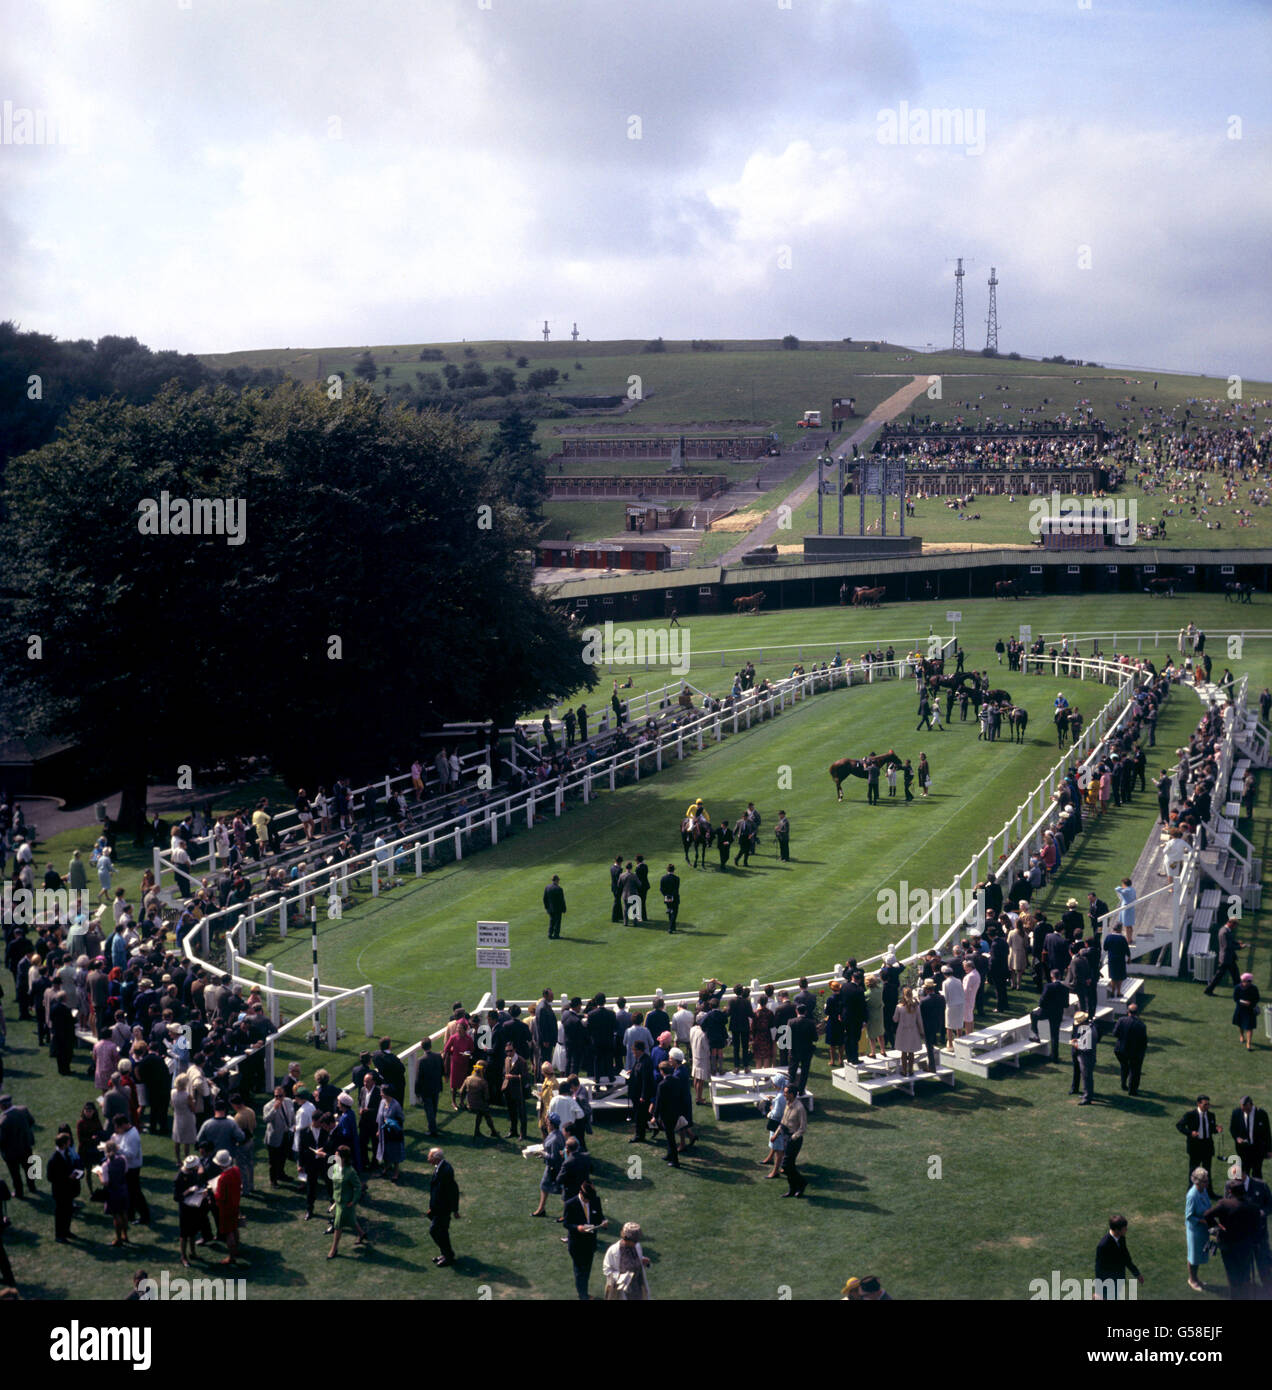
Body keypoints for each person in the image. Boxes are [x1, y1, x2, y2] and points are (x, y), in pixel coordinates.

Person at [1202, 1181, 1261, 1300]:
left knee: (1232, 1274)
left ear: (1230, 1192)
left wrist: (1217, 1229)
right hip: (1246, 1245)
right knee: (1245, 1273)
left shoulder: (1224, 1204)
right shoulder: (1253, 1207)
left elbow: (1207, 1215)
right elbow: (1257, 1228)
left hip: (1227, 1244)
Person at [562, 1177, 606, 1299]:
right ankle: (583, 1295)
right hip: (576, 1244)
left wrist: (603, 1221)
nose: (588, 1202)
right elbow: (566, 1223)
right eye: (586, 1200)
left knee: (586, 1270)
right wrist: (578, 1228)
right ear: (581, 1193)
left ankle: (583, 1293)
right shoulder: (570, 1204)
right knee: (580, 1271)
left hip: (590, 1243)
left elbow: (600, 1215)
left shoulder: (595, 1200)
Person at [327, 1145, 368, 1258]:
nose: (334, 1157)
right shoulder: (335, 1167)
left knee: (338, 1225)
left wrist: (354, 1201)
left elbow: (358, 1187)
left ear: (343, 1158)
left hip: (346, 1203)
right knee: (350, 1220)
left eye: (337, 1155)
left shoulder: (350, 1172)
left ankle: (333, 1249)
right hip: (338, 1201)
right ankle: (362, 1234)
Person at [1177, 1096, 1221, 1194]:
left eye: (1208, 1104)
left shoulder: (1211, 1115)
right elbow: (1179, 1125)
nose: (1207, 1107)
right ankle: (1191, 1192)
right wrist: (1190, 1133)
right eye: (1205, 1104)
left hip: (1207, 1146)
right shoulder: (1190, 1115)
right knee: (1193, 1171)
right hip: (1195, 1147)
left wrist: (1217, 1130)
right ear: (1198, 1104)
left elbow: (1211, 1129)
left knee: (1207, 1171)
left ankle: (1209, 1192)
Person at [1094, 1215, 1144, 1298]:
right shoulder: (1103, 1245)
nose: (1126, 1230)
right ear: (1117, 1230)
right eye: (1125, 1228)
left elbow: (1126, 1258)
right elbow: (1099, 1268)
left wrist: (1137, 1274)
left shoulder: (1121, 1238)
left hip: (1118, 1278)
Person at [427, 1147, 459, 1267]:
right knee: (441, 1232)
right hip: (438, 1208)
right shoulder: (440, 1168)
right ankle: (446, 1254)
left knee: (436, 1231)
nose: (428, 1159)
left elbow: (452, 1191)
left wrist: (455, 1210)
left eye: (430, 1157)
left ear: (436, 1158)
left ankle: (448, 1256)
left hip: (442, 1209)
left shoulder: (446, 1171)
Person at [602, 1221, 651, 1300]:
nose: (636, 1242)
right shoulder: (613, 1251)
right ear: (626, 1238)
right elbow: (606, 1270)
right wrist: (619, 1276)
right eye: (634, 1240)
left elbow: (637, 1258)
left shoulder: (637, 1246)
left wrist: (643, 1260)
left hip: (637, 1288)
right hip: (622, 1290)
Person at [1029, 971, 1069, 1061]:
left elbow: (1042, 1001)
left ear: (1052, 977)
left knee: (1033, 1015)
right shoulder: (1065, 988)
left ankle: (1036, 1035)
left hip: (1046, 1011)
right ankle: (1055, 1056)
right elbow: (1066, 1004)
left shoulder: (1048, 986)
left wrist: (1043, 1008)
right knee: (1055, 1034)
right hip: (1058, 1013)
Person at [48, 1132, 79, 1243]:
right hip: (60, 1191)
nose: (70, 1143)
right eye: (68, 1141)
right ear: (64, 1144)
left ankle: (66, 1231)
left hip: (68, 1189)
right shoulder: (54, 1159)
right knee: (61, 1213)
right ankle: (59, 1235)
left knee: (68, 1211)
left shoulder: (66, 1153)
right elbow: (50, 1177)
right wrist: (67, 1177)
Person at [1110, 1003, 1147, 1095]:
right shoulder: (1141, 1025)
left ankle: (1123, 1084)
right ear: (1137, 1013)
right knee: (1134, 1070)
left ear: (1128, 1012)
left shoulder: (1121, 1020)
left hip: (1120, 1050)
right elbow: (1143, 1041)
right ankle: (1132, 1090)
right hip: (1134, 1051)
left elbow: (1115, 1033)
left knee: (1124, 1067)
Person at [1230, 1095, 1271, 1179]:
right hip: (1243, 1149)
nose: (1244, 1111)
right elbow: (1232, 1129)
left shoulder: (1261, 1114)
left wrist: (1269, 1150)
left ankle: (1257, 1191)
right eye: (1242, 1109)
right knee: (1244, 1172)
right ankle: (1245, 1191)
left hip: (1258, 1149)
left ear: (1251, 1105)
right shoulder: (1236, 1113)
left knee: (1257, 1172)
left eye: (1246, 1109)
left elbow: (1267, 1133)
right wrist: (1237, 1138)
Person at [100, 1138, 131, 1247]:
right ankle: (125, 1235)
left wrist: (99, 1174)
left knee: (116, 1215)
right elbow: (126, 1171)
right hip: (123, 1189)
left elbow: (105, 1182)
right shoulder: (123, 1159)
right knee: (124, 1213)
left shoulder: (105, 1166)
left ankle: (118, 1239)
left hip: (113, 1192)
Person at [1185, 1167, 1213, 1292]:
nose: (1207, 1183)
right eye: (1205, 1181)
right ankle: (1192, 1279)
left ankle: (1196, 1278)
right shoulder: (1192, 1196)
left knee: (1199, 1255)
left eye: (1207, 1181)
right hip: (1195, 1230)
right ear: (1197, 1182)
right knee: (1194, 1256)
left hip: (1203, 1229)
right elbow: (1189, 1216)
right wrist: (1203, 1221)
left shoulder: (1203, 1190)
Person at [1204, 918, 1242, 996]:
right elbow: (1227, 946)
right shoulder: (1224, 932)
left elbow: (1229, 941)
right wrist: (1239, 947)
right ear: (1231, 923)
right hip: (1227, 958)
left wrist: (1237, 943)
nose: (1234, 927)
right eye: (1234, 925)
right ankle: (1239, 993)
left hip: (1227, 958)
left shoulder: (1224, 930)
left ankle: (1209, 990)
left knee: (1230, 976)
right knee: (1232, 976)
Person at [414, 1038, 443, 1138]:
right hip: (436, 1086)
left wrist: (416, 1091)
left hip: (426, 1089)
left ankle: (432, 1130)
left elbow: (418, 1078)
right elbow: (442, 1070)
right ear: (430, 1045)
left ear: (422, 1047)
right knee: (434, 1108)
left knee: (429, 1110)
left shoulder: (421, 1061)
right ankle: (433, 1126)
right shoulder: (438, 1056)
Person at [893, 986, 925, 1078]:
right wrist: (922, 1031)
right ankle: (910, 1070)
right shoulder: (916, 1006)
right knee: (911, 1052)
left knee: (904, 1052)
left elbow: (895, 1019)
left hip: (903, 1031)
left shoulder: (899, 1007)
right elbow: (919, 1020)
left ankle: (904, 1070)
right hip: (913, 1031)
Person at [1070, 1010, 1096, 1104]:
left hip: (1086, 1057)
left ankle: (1087, 1098)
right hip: (1083, 1055)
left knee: (1087, 1077)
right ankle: (1085, 1093)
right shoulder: (1088, 1027)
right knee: (1083, 1075)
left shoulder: (1089, 1030)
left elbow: (1086, 1048)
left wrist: (1076, 1044)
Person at [1232, 973, 1260, 1050]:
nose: (1249, 982)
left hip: (1250, 1010)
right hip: (1240, 1009)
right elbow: (1235, 998)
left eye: (1250, 981)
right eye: (1247, 981)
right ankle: (1241, 1035)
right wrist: (1244, 1002)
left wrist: (1251, 1003)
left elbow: (1257, 998)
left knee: (1249, 1027)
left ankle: (1248, 1044)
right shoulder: (1237, 988)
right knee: (1240, 1025)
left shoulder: (1254, 988)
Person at [659, 863, 681, 934]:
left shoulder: (663, 878)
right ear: (673, 870)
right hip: (674, 897)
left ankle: (673, 927)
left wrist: (665, 895)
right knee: (674, 912)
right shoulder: (676, 878)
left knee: (670, 911)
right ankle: (671, 928)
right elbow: (676, 888)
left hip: (667, 897)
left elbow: (661, 889)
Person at [543, 874, 566, 940]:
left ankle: (550, 934)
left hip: (550, 908)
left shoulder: (547, 887)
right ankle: (556, 935)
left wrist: (546, 907)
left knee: (552, 921)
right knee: (558, 922)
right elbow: (562, 900)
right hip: (558, 909)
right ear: (556, 880)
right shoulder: (559, 889)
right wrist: (564, 908)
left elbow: (545, 899)